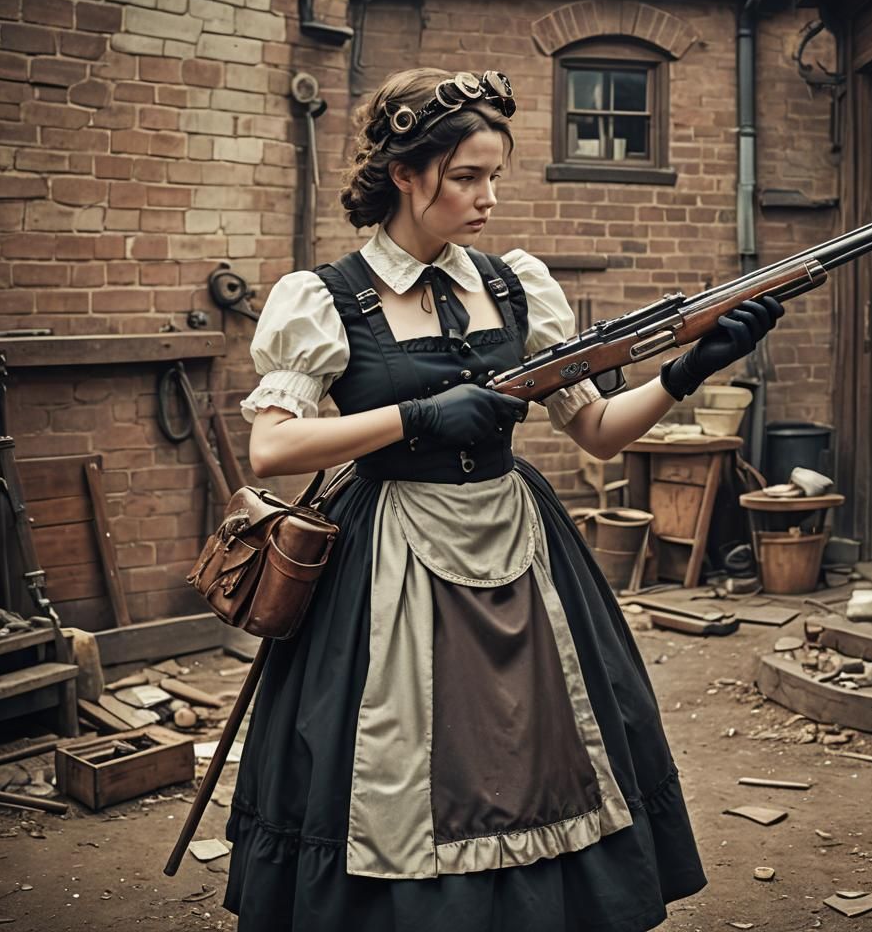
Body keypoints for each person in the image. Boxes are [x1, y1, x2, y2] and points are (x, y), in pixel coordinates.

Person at [224, 67, 783, 932]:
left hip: (518, 544)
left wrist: (686, 371)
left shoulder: (513, 284)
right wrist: (412, 415)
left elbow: (595, 431)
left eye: (495, 175)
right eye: (467, 178)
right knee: (397, 760)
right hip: (392, 556)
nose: (488, 198)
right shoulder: (327, 298)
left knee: (548, 748)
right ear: (407, 176)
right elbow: (272, 447)